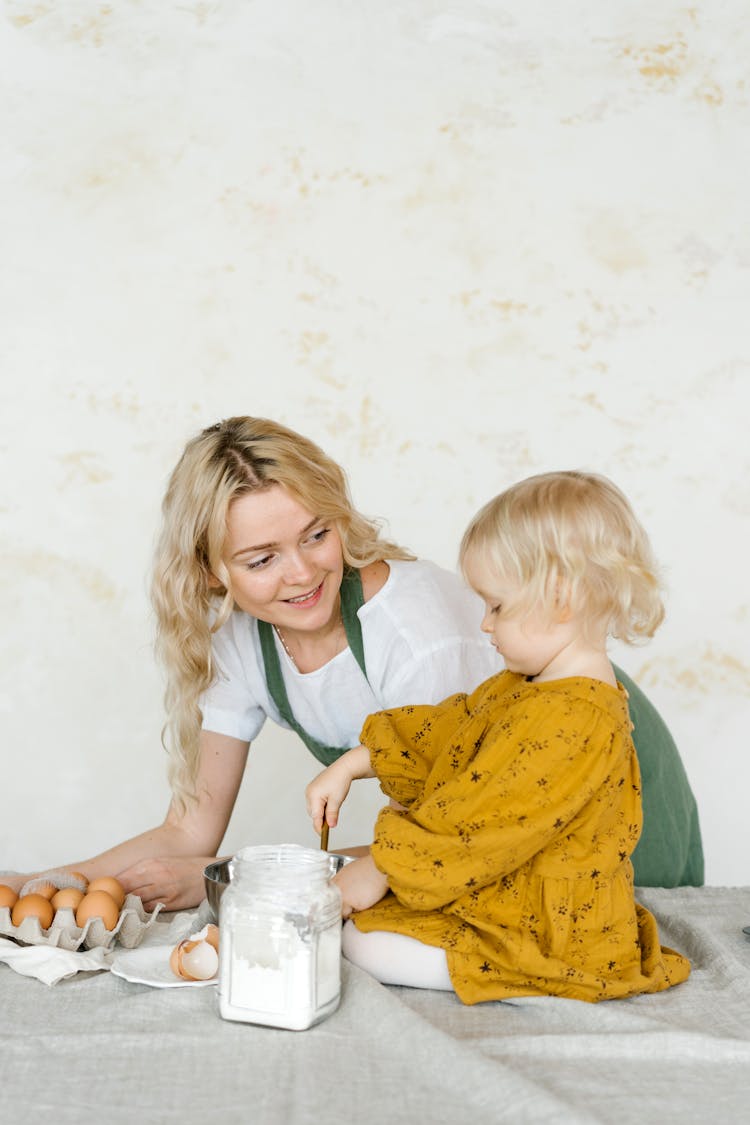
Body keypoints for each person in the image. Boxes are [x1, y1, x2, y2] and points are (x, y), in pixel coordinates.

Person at [6, 421, 702, 908]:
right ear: (210, 572)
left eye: (317, 534)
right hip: (480, 837)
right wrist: (50, 878)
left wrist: (225, 877)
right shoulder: (239, 647)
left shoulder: (415, 632)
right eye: (262, 557)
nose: (302, 571)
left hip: (601, 811)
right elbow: (189, 829)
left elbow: (445, 839)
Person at [306, 471, 691, 1002]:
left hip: (555, 926)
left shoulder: (574, 718)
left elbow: (481, 818)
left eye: (497, 607)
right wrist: (353, 762)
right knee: (369, 930)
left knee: (367, 944)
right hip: (513, 889)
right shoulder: (526, 686)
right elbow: (453, 731)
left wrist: (382, 868)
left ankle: (532, 977)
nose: (484, 625)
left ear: (560, 597)